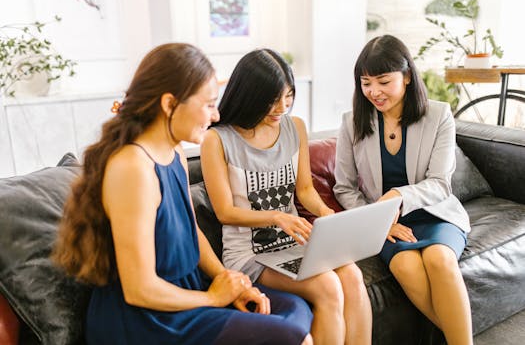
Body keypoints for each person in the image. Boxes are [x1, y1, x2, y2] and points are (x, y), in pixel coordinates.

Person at [52, 43, 314, 345]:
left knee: (293, 309)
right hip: (148, 318)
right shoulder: (132, 168)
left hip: (187, 295)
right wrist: (214, 299)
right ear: (169, 104)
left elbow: (193, 233)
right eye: (208, 104)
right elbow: (140, 289)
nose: (216, 115)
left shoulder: (174, 150)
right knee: (293, 334)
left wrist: (229, 281)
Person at [200, 48, 372, 345]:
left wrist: (327, 215)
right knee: (329, 287)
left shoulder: (295, 128)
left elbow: (304, 190)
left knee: (353, 276)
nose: (282, 107)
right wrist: (276, 216)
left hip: (297, 242)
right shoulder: (217, 140)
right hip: (250, 253)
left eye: (289, 96)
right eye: (272, 99)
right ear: (249, 96)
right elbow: (225, 212)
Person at [333, 35, 473, 345]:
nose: (373, 92)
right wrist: (378, 220)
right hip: (385, 225)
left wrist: (399, 196)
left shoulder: (439, 115)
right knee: (408, 266)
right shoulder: (351, 123)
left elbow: (440, 182)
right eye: (366, 83)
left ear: (407, 76)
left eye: (383, 81)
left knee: (439, 260)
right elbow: (343, 188)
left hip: (436, 213)